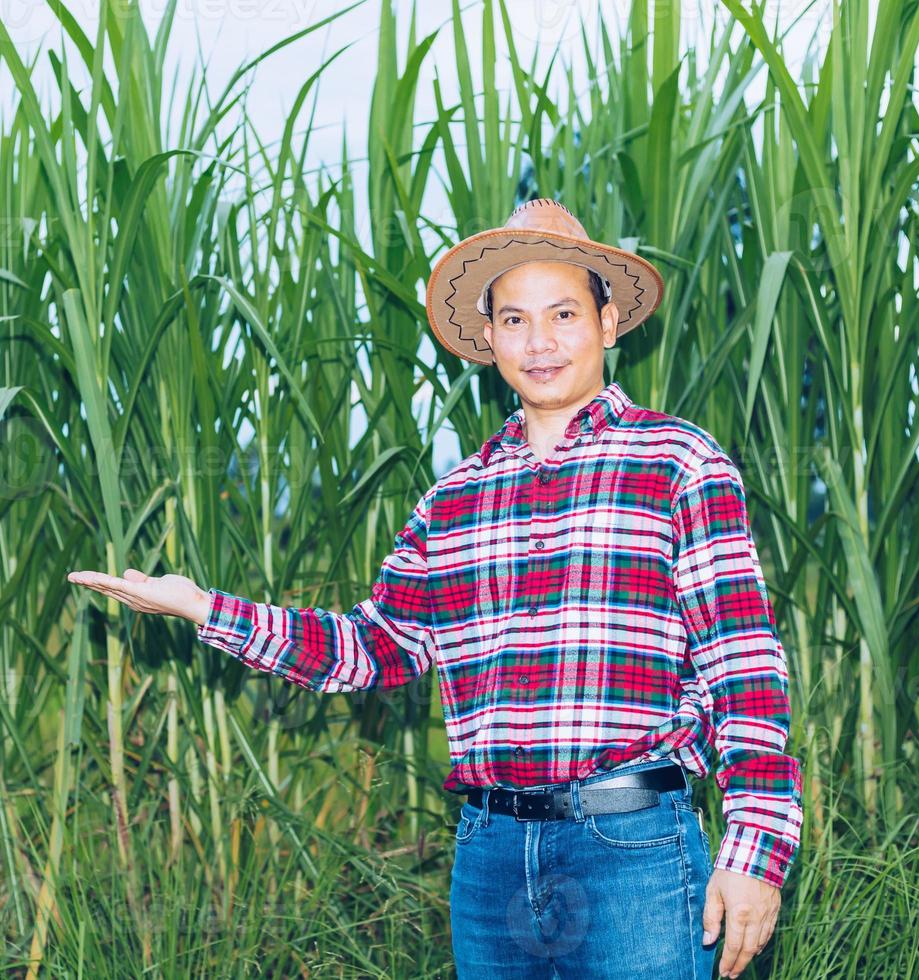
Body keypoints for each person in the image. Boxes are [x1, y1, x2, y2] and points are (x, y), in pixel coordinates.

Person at [69, 198, 802, 979]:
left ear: (609, 320)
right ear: (488, 338)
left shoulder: (679, 463)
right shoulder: (452, 501)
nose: (540, 341)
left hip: (634, 852)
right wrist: (203, 608)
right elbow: (370, 649)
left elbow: (742, 663)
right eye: (515, 320)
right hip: (488, 861)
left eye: (563, 313)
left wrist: (756, 849)